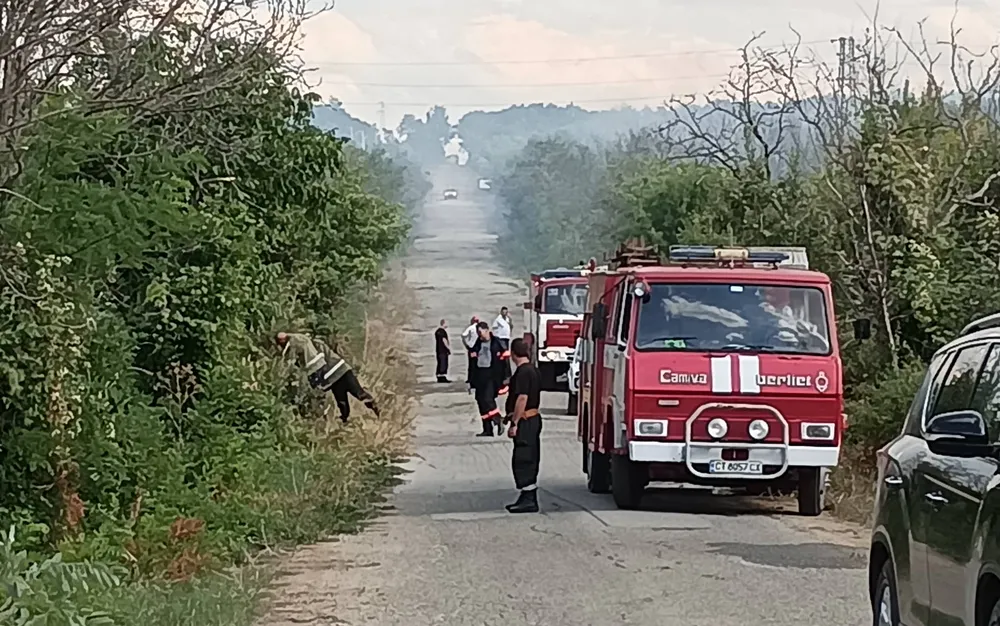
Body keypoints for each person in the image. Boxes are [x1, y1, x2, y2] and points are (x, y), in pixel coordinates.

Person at [276, 331, 380, 423]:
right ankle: (346, 424)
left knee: (357, 395)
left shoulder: (311, 347)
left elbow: (316, 367)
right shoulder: (310, 345)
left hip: (340, 373)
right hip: (336, 376)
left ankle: (378, 413)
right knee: (344, 402)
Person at [503, 337, 542, 513]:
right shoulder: (533, 370)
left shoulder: (523, 372)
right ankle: (526, 496)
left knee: (524, 459)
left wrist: (515, 423)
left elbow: (522, 398)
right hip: (533, 419)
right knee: (529, 456)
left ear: (513, 354)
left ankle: (529, 498)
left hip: (526, 420)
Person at [470, 321, 508, 437]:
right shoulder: (476, 345)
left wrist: (507, 377)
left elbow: (505, 362)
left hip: (492, 375)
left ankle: (497, 419)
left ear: (487, 330)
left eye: (481, 332)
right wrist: (470, 381)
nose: (480, 335)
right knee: (480, 401)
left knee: (487, 399)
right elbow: (471, 364)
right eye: (478, 333)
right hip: (479, 375)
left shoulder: (497, 343)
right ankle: (487, 429)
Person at [492, 306, 513, 379]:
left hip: (506, 338)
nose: (505, 313)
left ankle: (507, 373)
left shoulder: (508, 319)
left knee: (506, 355)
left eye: (506, 312)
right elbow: (494, 328)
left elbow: (510, 326)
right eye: (503, 312)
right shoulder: (498, 319)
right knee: (504, 355)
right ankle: (505, 373)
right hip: (500, 338)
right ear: (501, 312)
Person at [461, 316, 480, 391]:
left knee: (471, 365)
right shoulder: (478, 327)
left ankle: (471, 379)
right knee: (477, 365)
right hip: (477, 347)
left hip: (471, 347)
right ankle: (475, 380)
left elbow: (463, 335)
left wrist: (466, 344)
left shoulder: (471, 327)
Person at [434, 319, 451, 383]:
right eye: (447, 323)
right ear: (443, 323)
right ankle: (442, 377)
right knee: (443, 363)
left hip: (438, 350)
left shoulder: (437, 331)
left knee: (439, 362)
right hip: (443, 350)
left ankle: (439, 376)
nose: (448, 324)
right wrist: (448, 348)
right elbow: (444, 340)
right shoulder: (442, 331)